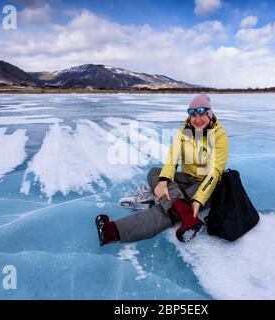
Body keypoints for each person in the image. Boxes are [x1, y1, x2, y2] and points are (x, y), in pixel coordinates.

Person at [96, 93, 229, 245]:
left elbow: (214, 173)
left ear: (209, 113)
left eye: (202, 113)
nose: (197, 120)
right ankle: (187, 216)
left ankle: (113, 232)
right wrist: (164, 181)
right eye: (193, 115)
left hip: (207, 185)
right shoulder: (184, 131)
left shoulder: (219, 136)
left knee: (169, 206)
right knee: (155, 173)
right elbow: (173, 158)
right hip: (187, 178)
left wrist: (198, 200)